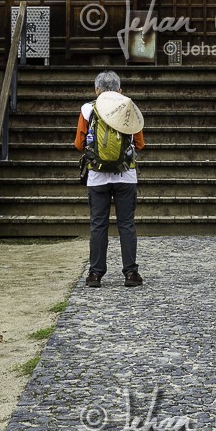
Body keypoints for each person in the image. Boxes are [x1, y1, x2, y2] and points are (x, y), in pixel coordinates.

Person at [75, 70, 145, 288]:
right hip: (126, 174)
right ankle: (131, 274)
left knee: (98, 224)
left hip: (97, 176)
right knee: (126, 224)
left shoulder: (88, 109)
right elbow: (140, 143)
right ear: (120, 90)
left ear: (97, 90)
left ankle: (95, 274)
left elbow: (79, 143)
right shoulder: (129, 107)